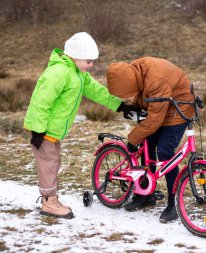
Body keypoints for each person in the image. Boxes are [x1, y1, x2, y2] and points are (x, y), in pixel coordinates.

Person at [24, 32, 131, 218]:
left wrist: (120, 105)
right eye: (88, 61)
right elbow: (41, 101)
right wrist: (37, 130)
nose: (91, 65)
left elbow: (97, 91)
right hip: (43, 130)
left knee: (54, 163)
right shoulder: (58, 72)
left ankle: (51, 198)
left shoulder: (78, 74)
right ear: (75, 56)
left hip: (53, 131)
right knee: (48, 165)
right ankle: (48, 202)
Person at [106, 57, 195, 223]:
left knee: (164, 151)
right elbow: (142, 91)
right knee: (148, 145)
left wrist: (132, 140)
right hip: (161, 108)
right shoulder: (137, 70)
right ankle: (145, 195)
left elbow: (155, 120)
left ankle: (174, 202)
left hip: (178, 112)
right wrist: (134, 104)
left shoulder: (156, 80)